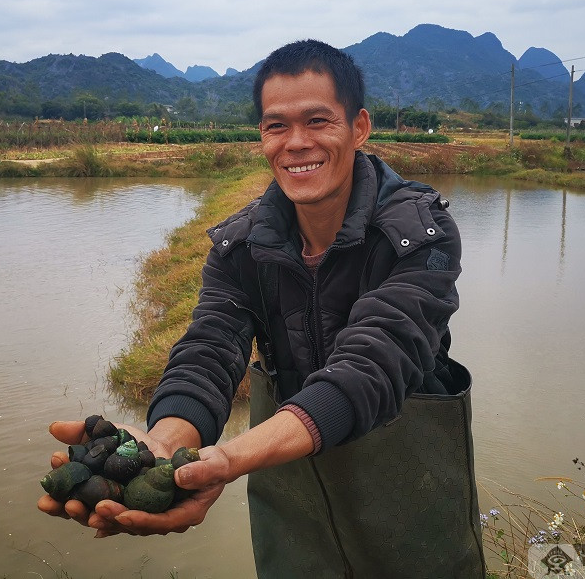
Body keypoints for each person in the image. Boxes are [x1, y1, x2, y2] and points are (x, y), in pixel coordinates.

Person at [38, 39, 485, 577]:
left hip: (407, 480)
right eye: (277, 127)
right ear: (262, 138)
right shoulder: (239, 246)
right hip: (287, 484)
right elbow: (209, 348)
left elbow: (374, 365)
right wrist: (167, 442)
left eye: (318, 121)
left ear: (359, 128)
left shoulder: (419, 235)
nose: (296, 143)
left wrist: (231, 458)